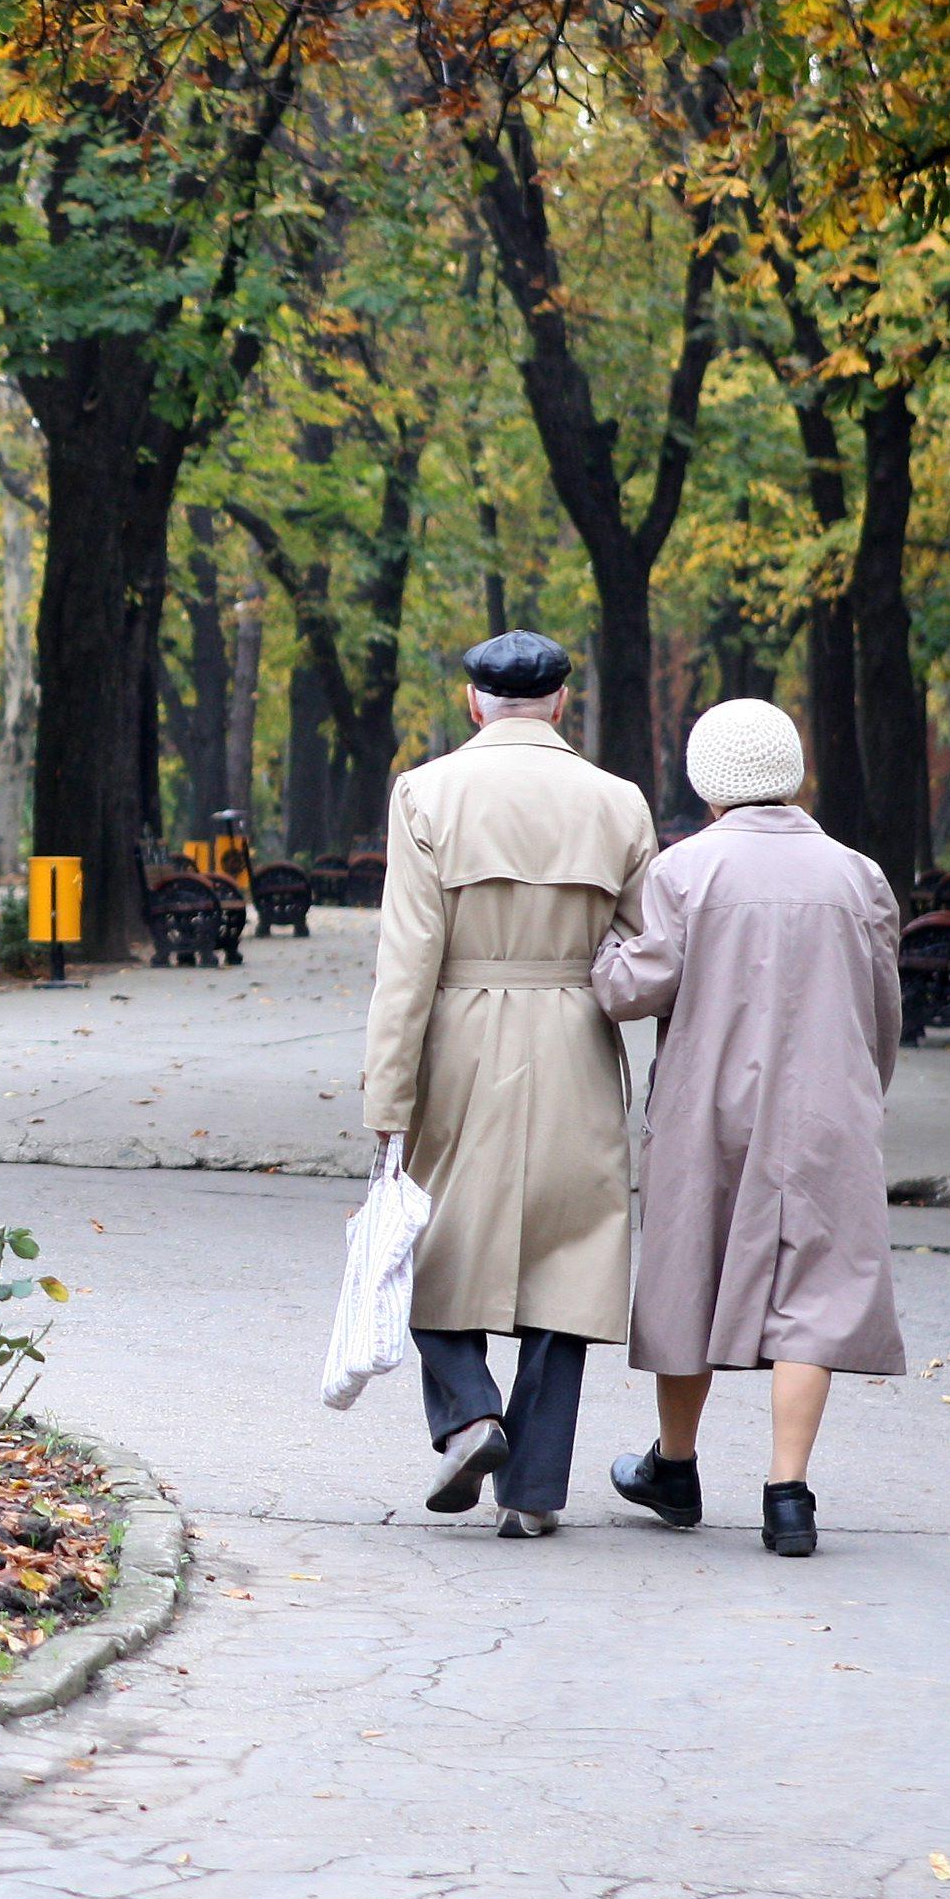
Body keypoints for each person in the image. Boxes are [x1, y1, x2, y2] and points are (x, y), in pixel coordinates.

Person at [362, 631, 659, 1538]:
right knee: (571, 1255)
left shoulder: (427, 793)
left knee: (431, 1236)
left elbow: (406, 961)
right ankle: (531, 1487)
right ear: (563, 703)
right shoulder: (619, 803)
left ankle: (467, 1414)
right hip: (575, 1036)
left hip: (460, 1036)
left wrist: (386, 1100)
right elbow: (649, 947)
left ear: (472, 700)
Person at [593, 700, 905, 1559]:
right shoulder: (858, 874)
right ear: (794, 770)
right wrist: (862, 1089)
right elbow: (884, 1005)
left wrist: (597, 956)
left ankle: (677, 1466)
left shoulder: (686, 869)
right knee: (816, 1297)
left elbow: (632, 989)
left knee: (689, 1271)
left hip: (709, 1107)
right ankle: (788, 1494)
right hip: (828, 1112)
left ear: (707, 780)